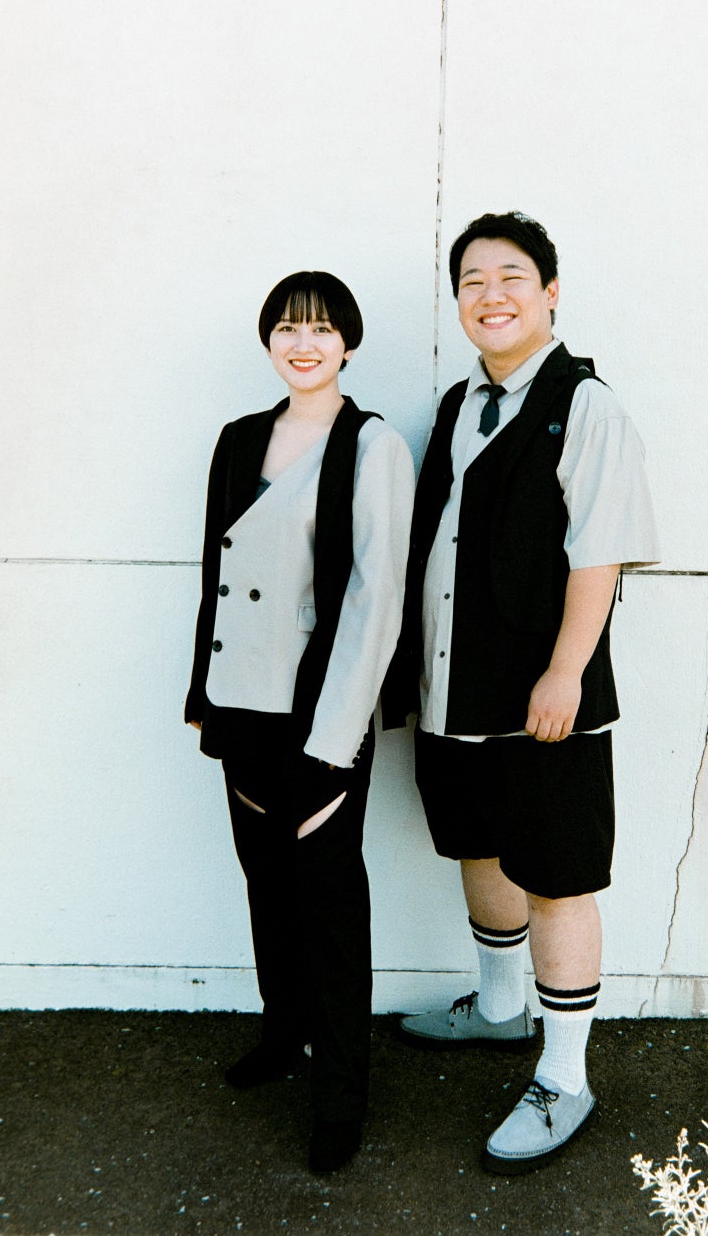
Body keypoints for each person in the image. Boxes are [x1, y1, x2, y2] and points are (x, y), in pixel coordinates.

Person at [384, 212, 659, 1174]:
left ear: (549, 293)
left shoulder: (586, 407)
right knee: (479, 844)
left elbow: (600, 553)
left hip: (547, 698)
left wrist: (565, 671)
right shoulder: (459, 404)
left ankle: (565, 1076)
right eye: (471, 281)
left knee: (556, 874)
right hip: (455, 689)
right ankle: (500, 1008)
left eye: (510, 277)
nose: (490, 295)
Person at [185, 271, 414, 1173]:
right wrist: (203, 698)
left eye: (321, 329)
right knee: (266, 884)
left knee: (328, 904)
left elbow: (376, 598)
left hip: (321, 711)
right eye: (287, 327)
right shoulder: (240, 438)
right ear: (269, 341)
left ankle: (341, 1099)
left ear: (347, 343)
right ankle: (283, 1035)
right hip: (241, 700)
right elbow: (216, 574)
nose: (304, 344)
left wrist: (337, 733)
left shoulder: (373, 444)